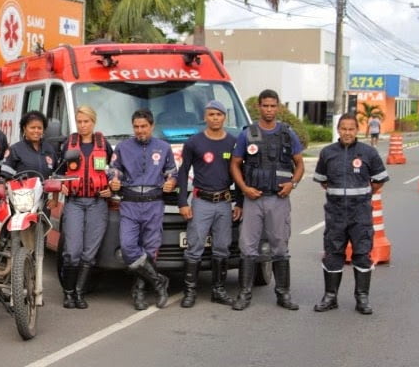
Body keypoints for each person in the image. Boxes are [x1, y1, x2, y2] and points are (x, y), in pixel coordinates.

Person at [229, 89, 304, 311]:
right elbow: (235, 164)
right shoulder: (247, 134)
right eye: (265, 106)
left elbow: (299, 163)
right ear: (258, 107)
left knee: (280, 247)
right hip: (254, 199)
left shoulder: (287, 134)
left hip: (278, 200)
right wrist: (244, 189)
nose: (269, 110)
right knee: (247, 247)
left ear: (278, 107)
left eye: (273, 106)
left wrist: (293, 184)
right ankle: (244, 294)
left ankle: (283, 294)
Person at [312, 113, 389, 315]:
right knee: (333, 253)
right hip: (335, 214)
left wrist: (363, 196)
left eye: (351, 129)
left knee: (362, 253)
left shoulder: (368, 152)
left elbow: (378, 180)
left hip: (360, 214)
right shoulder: (328, 153)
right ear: (338, 130)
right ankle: (330, 297)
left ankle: (362, 298)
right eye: (343, 128)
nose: (347, 132)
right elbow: (323, 180)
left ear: (357, 130)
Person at [176, 100, 243, 308]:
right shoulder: (194, 142)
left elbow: (238, 172)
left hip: (224, 202)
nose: (215, 118)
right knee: (194, 247)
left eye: (219, 114)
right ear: (205, 117)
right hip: (201, 201)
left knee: (222, 247)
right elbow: (183, 171)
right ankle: (190, 292)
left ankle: (218, 291)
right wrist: (182, 203)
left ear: (225, 117)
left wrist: (239, 202)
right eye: (211, 114)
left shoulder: (233, 142)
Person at [109, 108, 177, 310]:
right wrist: (113, 179)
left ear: (152, 126)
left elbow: (172, 172)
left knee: (150, 250)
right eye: (136, 127)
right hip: (130, 203)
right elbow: (114, 169)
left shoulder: (164, 147)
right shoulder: (122, 147)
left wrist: (171, 181)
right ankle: (159, 281)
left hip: (154, 204)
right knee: (128, 247)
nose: (140, 131)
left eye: (144, 126)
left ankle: (139, 292)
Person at [56, 106, 113, 309]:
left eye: (86, 121)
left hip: (98, 203)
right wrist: (60, 184)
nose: (82, 125)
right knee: (72, 250)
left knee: (90, 253)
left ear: (93, 122)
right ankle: (68, 293)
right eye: (79, 121)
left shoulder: (104, 144)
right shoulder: (67, 144)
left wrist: (111, 189)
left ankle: (79, 293)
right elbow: (58, 172)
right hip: (75, 202)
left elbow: (113, 172)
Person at [4, 110, 57, 178]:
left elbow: (57, 175)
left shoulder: (49, 149)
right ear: (24, 128)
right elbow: (5, 178)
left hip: (46, 189)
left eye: (39, 128)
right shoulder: (14, 150)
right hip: (22, 188)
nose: (36, 131)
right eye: (32, 128)